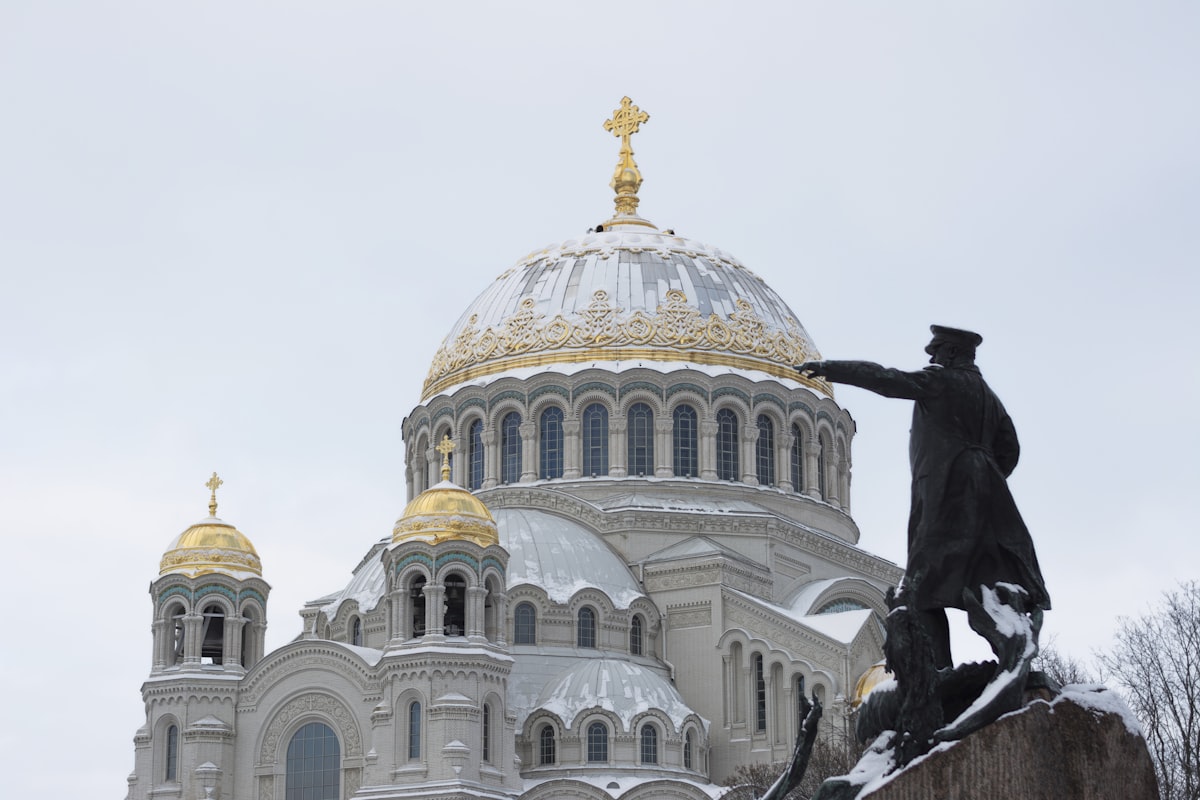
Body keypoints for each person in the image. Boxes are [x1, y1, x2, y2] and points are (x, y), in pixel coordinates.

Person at [798, 325, 1048, 668]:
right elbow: (1011, 449)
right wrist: (984, 471)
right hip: (988, 492)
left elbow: (886, 379)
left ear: (952, 353)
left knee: (920, 590)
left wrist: (831, 369)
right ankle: (1008, 656)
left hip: (946, 494)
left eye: (937, 350)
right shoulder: (989, 397)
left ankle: (941, 674)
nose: (931, 357)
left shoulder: (941, 381)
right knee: (984, 575)